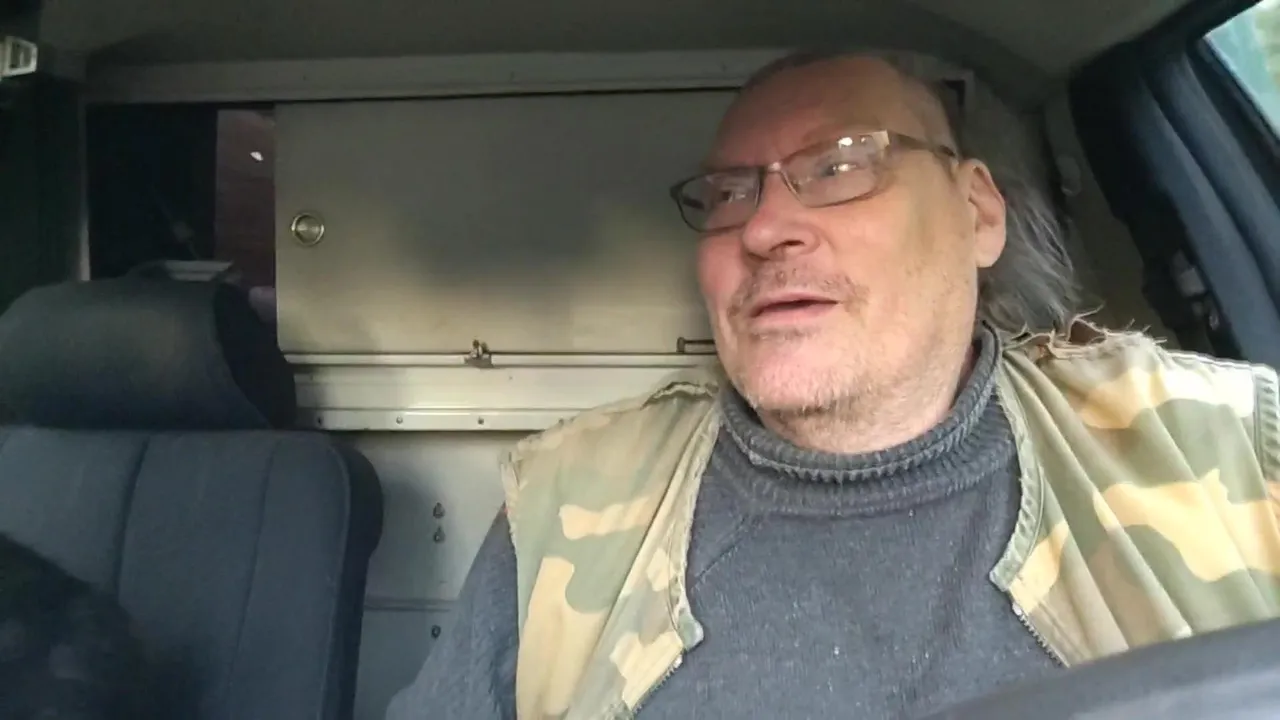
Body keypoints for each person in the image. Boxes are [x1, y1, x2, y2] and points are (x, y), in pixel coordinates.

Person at [387, 50, 1280, 720]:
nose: (764, 227)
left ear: (976, 212)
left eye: (842, 165)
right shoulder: (565, 503)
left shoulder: (1226, 444)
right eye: (729, 193)